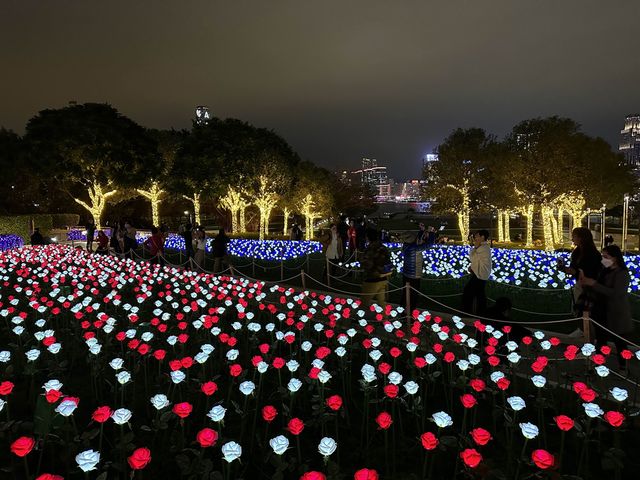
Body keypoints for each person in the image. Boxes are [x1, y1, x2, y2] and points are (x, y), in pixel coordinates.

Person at [579, 245, 633, 368]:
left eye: (606, 257)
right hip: (601, 312)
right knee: (601, 340)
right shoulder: (604, 271)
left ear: (615, 258)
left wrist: (594, 284)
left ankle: (623, 367)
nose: (603, 259)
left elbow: (616, 293)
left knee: (619, 342)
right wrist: (587, 283)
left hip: (616, 313)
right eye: (602, 256)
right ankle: (599, 364)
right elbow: (598, 288)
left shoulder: (622, 273)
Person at [557, 227, 601, 314]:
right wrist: (565, 269)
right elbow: (574, 269)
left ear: (581, 238)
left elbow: (593, 272)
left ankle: (585, 327)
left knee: (587, 313)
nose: (572, 239)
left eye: (574, 236)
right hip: (579, 285)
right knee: (578, 311)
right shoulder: (576, 252)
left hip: (590, 288)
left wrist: (575, 272)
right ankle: (580, 326)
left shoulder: (593, 254)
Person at [462, 229, 492, 315]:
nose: (475, 237)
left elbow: (472, 257)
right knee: (479, 293)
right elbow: (476, 260)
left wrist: (475, 247)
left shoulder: (483, 247)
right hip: (479, 273)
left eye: (477, 236)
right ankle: (479, 312)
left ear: (482, 237)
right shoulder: (483, 247)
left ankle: (468, 312)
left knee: (469, 292)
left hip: (480, 274)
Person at [360, 228, 392, 310]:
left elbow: (366, 263)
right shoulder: (383, 247)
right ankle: (384, 320)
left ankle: (359, 318)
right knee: (382, 302)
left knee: (364, 302)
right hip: (383, 278)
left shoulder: (370, 248)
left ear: (368, 237)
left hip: (372, 279)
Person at [401, 231, 428, 314]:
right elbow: (429, 244)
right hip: (414, 276)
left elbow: (417, 240)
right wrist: (431, 233)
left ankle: (402, 310)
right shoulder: (415, 248)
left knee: (405, 294)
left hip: (406, 274)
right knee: (413, 296)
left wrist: (422, 231)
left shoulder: (406, 246)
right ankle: (410, 313)